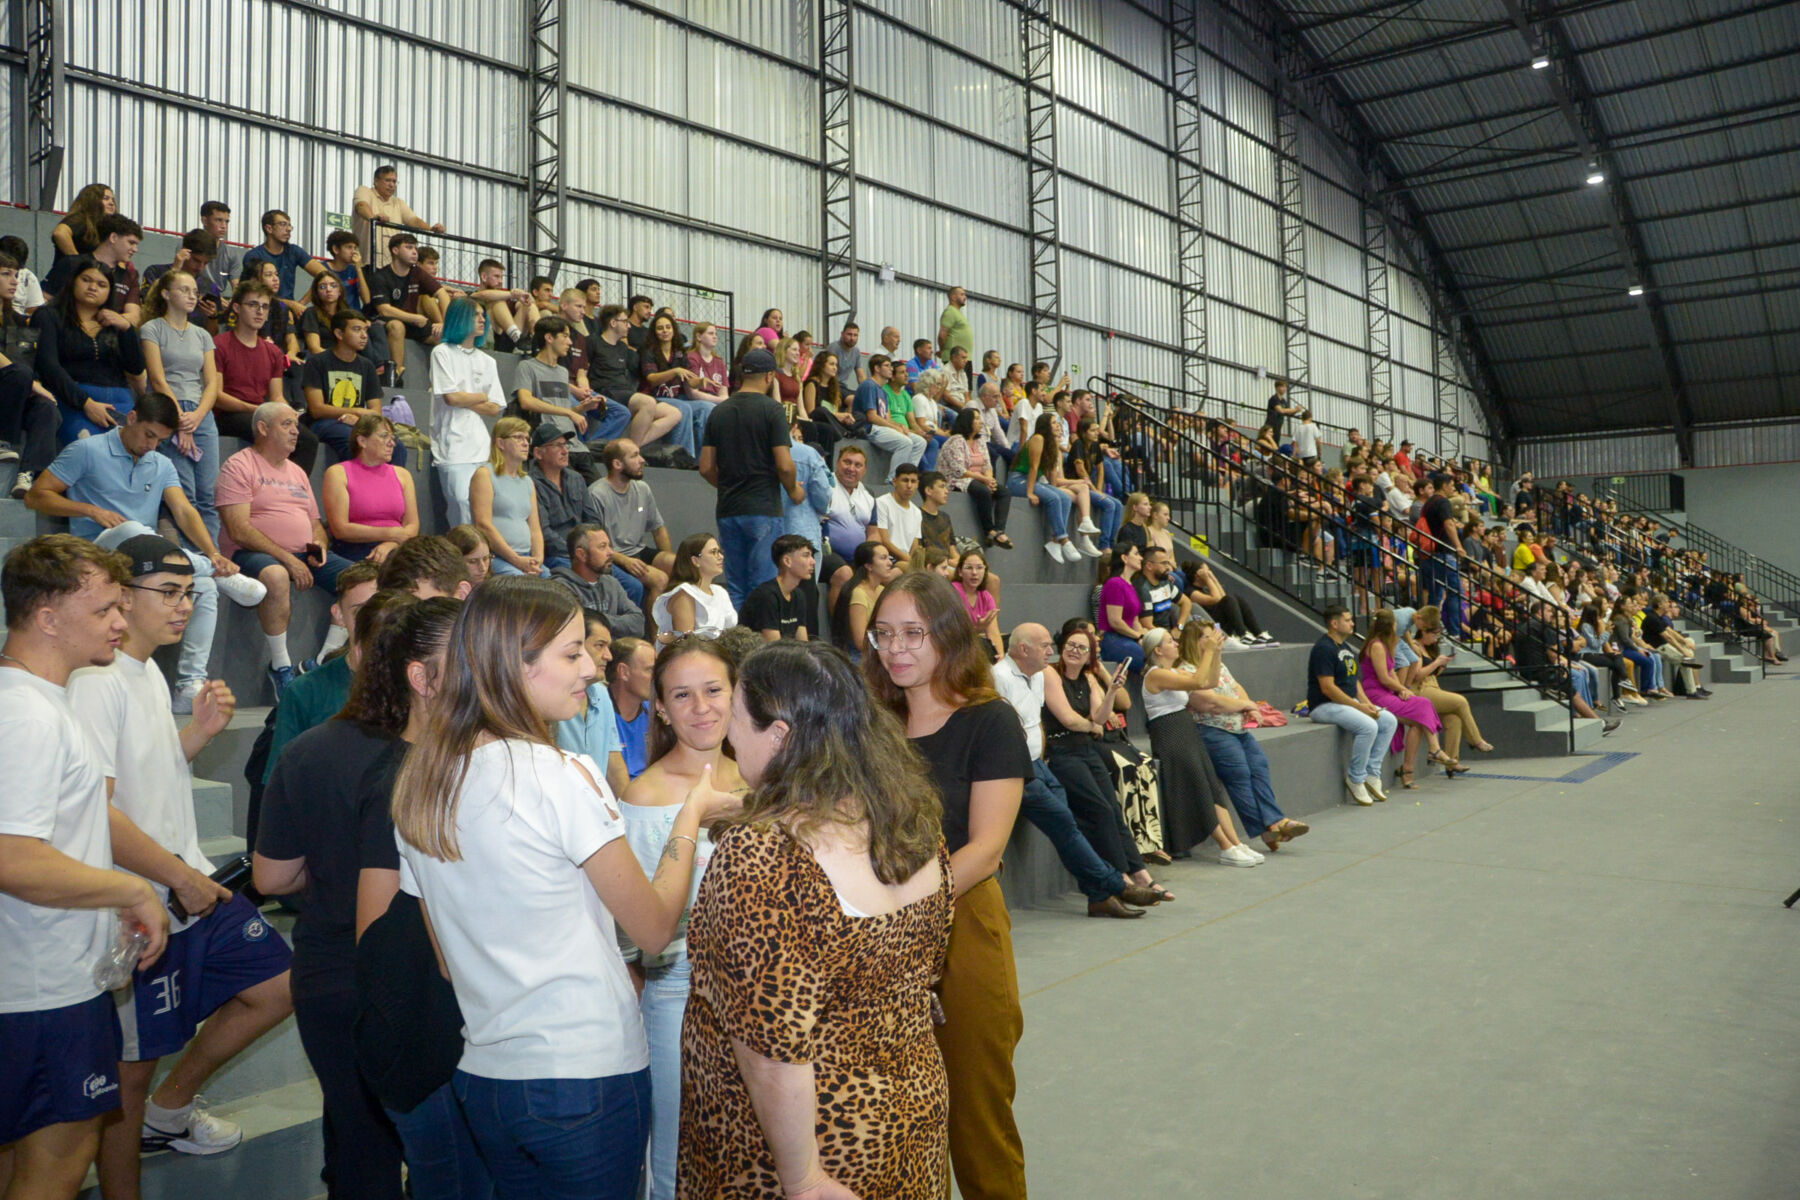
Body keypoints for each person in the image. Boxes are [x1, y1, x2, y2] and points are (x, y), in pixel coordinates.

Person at [387, 579, 732, 1195]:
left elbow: (446, 960)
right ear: (513, 664)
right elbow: (655, 930)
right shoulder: (559, 774)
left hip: (486, 1075)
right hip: (583, 1074)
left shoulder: (424, 782)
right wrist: (691, 816)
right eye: (571, 654)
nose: (591, 671)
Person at [679, 639, 952, 1200]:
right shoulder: (910, 820)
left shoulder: (761, 857)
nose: (729, 738)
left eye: (737, 720)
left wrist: (802, 1179)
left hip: (807, 1146)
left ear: (779, 736)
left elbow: (771, 1052)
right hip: (911, 1112)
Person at [68, 535, 294, 1198]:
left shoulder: (144, 671)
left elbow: (146, 775)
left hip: (184, 883)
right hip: (146, 900)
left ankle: (168, 1112)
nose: (184, 607)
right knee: (130, 1072)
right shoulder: (95, 681)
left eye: (190, 594)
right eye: (167, 593)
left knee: (280, 985)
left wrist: (195, 736)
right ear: (122, 595)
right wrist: (178, 876)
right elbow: (96, 810)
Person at [0, 534, 169, 1200]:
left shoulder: (34, 702)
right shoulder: (27, 715)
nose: (121, 622)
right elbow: (12, 857)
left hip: (34, 982)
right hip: (43, 991)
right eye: (104, 610)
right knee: (57, 1166)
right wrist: (129, 887)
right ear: (47, 617)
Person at [253, 588, 427, 1199]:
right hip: (418, 979)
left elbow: (272, 878)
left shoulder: (308, 751)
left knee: (357, 1147)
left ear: (357, 654)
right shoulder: (439, 759)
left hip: (328, 974)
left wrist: (331, 871)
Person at [863, 571, 1030, 1200]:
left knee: (977, 1115)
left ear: (949, 635)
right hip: (874, 934)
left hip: (961, 922)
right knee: (891, 1118)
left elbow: (985, 850)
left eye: (913, 633)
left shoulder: (990, 721)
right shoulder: (870, 727)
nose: (896, 648)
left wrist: (902, 907)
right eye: (883, 634)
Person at [25, 394, 263, 712]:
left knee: (203, 587)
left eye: (160, 441)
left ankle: (189, 684)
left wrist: (213, 552)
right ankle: (208, 568)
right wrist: (90, 510)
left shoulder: (161, 463)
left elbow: (184, 511)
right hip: (97, 551)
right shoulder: (86, 450)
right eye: (149, 435)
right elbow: (36, 496)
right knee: (131, 529)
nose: (152, 445)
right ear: (132, 418)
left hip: (148, 560)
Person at [616, 638, 742, 1200]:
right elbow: (634, 930)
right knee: (676, 1154)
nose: (702, 707)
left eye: (713, 690)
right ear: (662, 709)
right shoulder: (644, 796)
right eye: (683, 695)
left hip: (767, 995)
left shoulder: (767, 779)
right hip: (678, 994)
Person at [992, 624, 1165, 919]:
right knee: (1064, 822)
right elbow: (1001, 733)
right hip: (1016, 769)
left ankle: (1099, 897)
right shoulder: (1000, 677)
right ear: (1023, 649)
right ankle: (1116, 885)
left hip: (1039, 764)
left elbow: (1034, 724)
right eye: (1045, 646)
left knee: (1068, 826)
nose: (1051, 651)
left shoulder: (1037, 675)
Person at [1182, 624, 1311, 855]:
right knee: (1239, 774)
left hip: (1238, 727)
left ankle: (1273, 824)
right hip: (1212, 729)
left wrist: (1250, 706)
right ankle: (1270, 826)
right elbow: (1210, 703)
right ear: (1195, 641)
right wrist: (1245, 705)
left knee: (1259, 766)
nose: (1214, 641)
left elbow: (1235, 687)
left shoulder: (1218, 664)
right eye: (1208, 637)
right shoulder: (1187, 670)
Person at [699, 347, 801, 608]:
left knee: (735, 586)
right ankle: (761, 635)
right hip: (763, 508)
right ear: (769, 376)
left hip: (728, 508)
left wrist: (728, 485)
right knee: (763, 585)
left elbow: (706, 467)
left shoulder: (719, 411)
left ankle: (739, 634)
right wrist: (794, 490)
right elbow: (785, 465)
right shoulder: (773, 410)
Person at [138, 269, 222, 539]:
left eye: (194, 291)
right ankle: (190, 554)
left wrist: (197, 416)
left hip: (200, 413)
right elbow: (157, 379)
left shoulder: (203, 335)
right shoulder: (152, 328)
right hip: (168, 410)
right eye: (184, 290)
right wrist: (180, 422)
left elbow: (211, 383)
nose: (192, 296)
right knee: (186, 492)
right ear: (165, 293)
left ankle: (212, 555)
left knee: (209, 493)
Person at [32, 254, 145, 443]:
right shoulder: (49, 316)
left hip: (121, 399)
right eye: (86, 280)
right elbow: (49, 366)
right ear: (73, 282)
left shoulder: (115, 323)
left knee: (133, 450)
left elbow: (136, 368)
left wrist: (127, 328)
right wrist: (86, 403)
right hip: (72, 398)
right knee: (89, 448)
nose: (93, 287)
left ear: (110, 292)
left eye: (102, 285)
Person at [1307, 605, 1397, 805]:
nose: (1352, 624)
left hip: (1348, 704)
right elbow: (1328, 688)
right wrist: (1359, 708)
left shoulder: (1346, 648)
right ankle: (1356, 777)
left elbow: (1354, 682)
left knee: (1388, 720)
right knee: (1368, 726)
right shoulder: (1324, 648)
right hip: (1324, 706)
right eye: (1347, 620)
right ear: (1334, 623)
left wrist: (1368, 705)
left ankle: (1372, 773)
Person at [1361, 609, 1456, 790]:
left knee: (1421, 711)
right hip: (1376, 693)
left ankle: (1410, 769)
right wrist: (1403, 688)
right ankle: (1433, 751)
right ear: (1390, 626)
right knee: (1422, 708)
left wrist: (1401, 690)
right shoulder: (1377, 646)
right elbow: (1383, 678)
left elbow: (1391, 674)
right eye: (1396, 624)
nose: (1399, 627)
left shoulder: (1388, 644)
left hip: (1388, 691)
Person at [430, 297, 505, 526]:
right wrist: (481, 395)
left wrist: (464, 398)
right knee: (460, 503)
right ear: (460, 318)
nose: (482, 319)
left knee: (485, 507)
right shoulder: (442, 352)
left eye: (483, 315)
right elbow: (451, 398)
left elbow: (495, 407)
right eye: (476, 315)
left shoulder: (488, 361)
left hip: (480, 444)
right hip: (451, 444)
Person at [302, 310, 400, 467]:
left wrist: (359, 420)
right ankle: (352, 481)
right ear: (339, 334)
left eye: (365, 330)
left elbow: (375, 410)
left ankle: (387, 482)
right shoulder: (317, 362)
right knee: (353, 440)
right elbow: (317, 409)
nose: (364, 336)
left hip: (356, 423)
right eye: (357, 329)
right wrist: (357, 412)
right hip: (324, 423)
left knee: (397, 446)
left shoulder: (367, 366)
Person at [587, 438, 675, 611]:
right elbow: (596, 543)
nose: (642, 460)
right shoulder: (597, 494)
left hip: (638, 550)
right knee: (660, 579)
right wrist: (626, 561)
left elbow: (658, 529)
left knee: (682, 565)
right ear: (617, 464)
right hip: (614, 556)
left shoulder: (642, 488)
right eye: (634, 456)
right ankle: (653, 629)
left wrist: (666, 557)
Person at [321, 413, 418, 563]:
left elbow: (412, 525)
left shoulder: (403, 475)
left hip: (397, 547)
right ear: (362, 441)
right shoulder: (338, 473)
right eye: (384, 436)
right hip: (356, 548)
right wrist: (390, 534)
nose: (392, 443)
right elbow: (340, 529)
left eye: (392, 438)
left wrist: (391, 544)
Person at [557, 609, 631, 796]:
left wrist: (626, 809)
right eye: (600, 645)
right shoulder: (551, 697)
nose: (609, 656)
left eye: (608, 647)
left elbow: (614, 762)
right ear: (576, 646)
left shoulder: (602, 694)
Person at [469, 418, 547, 579]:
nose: (525, 443)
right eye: (518, 437)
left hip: (526, 557)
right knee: (520, 583)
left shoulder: (527, 481)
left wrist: (538, 559)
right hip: (496, 557)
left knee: (549, 579)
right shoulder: (484, 475)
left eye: (527, 438)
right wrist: (516, 560)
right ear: (500, 443)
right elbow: (483, 525)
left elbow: (535, 528)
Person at [367, 233, 443, 384]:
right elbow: (384, 310)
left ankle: (443, 382)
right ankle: (396, 376)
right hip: (382, 322)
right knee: (397, 326)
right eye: (409, 247)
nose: (414, 252)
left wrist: (444, 322)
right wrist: (414, 318)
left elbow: (442, 294)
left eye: (415, 248)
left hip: (411, 322)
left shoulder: (417, 272)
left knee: (443, 335)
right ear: (395, 251)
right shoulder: (380, 276)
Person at [1010, 412, 1084, 564]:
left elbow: (1052, 478)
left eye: (1058, 423)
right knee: (1053, 498)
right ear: (1046, 426)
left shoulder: (1051, 444)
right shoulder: (1038, 438)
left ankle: (1055, 541)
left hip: (1034, 481)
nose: (1058, 426)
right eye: (1054, 423)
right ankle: (1064, 539)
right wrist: (1030, 492)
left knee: (1065, 498)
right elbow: (1033, 467)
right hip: (1018, 480)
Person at [552, 525, 646, 638]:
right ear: (582, 554)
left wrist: (600, 620)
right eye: (602, 547)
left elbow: (638, 624)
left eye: (609, 546)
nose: (611, 552)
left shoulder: (611, 583)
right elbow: (577, 627)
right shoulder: (561, 588)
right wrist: (617, 623)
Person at [940, 406, 1013, 549]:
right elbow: (959, 470)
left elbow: (987, 464)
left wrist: (989, 479)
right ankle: (989, 531)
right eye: (977, 419)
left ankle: (999, 530)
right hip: (955, 479)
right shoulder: (956, 440)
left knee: (1004, 492)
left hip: (978, 479)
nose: (981, 422)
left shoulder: (980, 441)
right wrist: (984, 480)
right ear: (968, 421)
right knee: (982, 490)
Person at [851, 355, 927, 481]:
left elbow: (887, 418)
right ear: (877, 368)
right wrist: (895, 428)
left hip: (881, 427)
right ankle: (894, 480)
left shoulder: (883, 391)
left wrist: (900, 426)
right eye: (887, 365)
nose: (891, 368)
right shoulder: (869, 385)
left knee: (920, 442)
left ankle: (908, 476)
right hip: (869, 428)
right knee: (905, 442)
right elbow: (872, 417)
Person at [352, 165, 444, 269]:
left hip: (391, 265)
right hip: (367, 261)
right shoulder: (364, 191)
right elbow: (361, 206)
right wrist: (373, 218)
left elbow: (413, 220)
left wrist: (431, 229)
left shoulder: (398, 202)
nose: (392, 185)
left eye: (394, 181)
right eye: (387, 180)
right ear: (376, 181)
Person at [651, 533, 738, 641]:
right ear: (695, 561)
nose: (721, 557)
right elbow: (686, 642)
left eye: (720, 552)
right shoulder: (684, 594)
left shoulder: (720, 592)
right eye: (713, 552)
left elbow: (731, 630)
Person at [739, 534, 819, 641]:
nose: (813, 562)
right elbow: (774, 647)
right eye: (806, 555)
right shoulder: (766, 596)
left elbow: (803, 643)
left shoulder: (799, 595)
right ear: (787, 561)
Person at [830, 540, 901, 658]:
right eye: (883, 558)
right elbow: (860, 642)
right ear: (869, 566)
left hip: (879, 648)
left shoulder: (881, 590)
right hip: (860, 656)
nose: (890, 563)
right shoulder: (859, 593)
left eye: (889, 558)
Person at [241, 210, 326, 309]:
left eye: (289, 225)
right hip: (263, 307)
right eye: (283, 224)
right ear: (269, 228)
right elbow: (252, 291)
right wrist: (288, 303)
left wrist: (301, 303)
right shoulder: (254, 255)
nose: (289, 229)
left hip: (288, 310)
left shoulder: (294, 251)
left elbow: (324, 274)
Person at [1098, 541, 1154, 673]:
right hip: (1112, 639)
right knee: (1150, 659)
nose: (1141, 558)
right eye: (1136, 554)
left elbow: (1134, 620)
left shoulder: (1130, 584)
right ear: (1124, 558)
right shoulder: (1115, 584)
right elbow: (1115, 621)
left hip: (1127, 637)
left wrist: (1144, 636)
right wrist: (1138, 636)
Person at [956, 548, 1005, 660]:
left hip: (972, 645)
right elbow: (952, 634)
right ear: (960, 572)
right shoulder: (952, 592)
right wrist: (976, 629)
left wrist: (1000, 657)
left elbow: (993, 632)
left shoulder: (986, 597)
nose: (974, 573)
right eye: (969, 568)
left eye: (979, 568)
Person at [872, 462, 924, 561]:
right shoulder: (881, 503)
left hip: (906, 561)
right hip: (886, 558)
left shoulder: (917, 512)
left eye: (913, 481)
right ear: (895, 482)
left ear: (917, 484)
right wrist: (909, 561)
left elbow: (914, 545)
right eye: (905, 480)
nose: (909, 485)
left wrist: (911, 563)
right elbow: (883, 540)